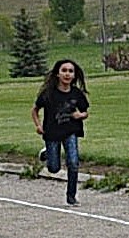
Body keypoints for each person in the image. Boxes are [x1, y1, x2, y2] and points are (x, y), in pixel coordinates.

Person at [31, 58, 90, 206]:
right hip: (52, 132)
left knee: (73, 162)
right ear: (57, 74)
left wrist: (80, 115)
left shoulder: (77, 94)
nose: (67, 74)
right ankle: (47, 154)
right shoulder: (48, 93)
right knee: (54, 168)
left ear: (74, 75)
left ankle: (71, 196)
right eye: (64, 71)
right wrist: (38, 126)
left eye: (70, 71)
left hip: (71, 130)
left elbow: (85, 112)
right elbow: (35, 110)